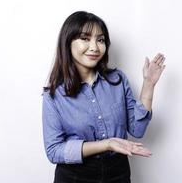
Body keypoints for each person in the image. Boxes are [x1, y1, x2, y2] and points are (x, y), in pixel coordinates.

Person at [42, 11, 166, 183]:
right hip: (75, 176)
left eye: (100, 40)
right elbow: (54, 151)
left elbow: (137, 130)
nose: (94, 47)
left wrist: (149, 85)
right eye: (85, 38)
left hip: (118, 172)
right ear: (67, 42)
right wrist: (106, 144)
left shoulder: (117, 80)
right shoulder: (54, 95)